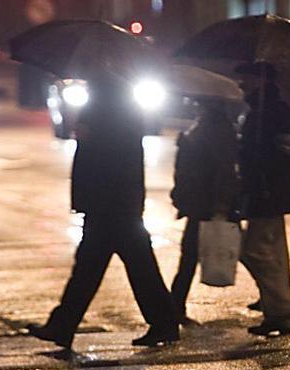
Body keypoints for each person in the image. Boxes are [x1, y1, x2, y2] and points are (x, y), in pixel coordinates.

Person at [27, 72, 179, 349]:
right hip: (117, 205)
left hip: (109, 206)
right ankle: (162, 322)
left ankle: (63, 326)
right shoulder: (115, 106)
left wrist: (86, 132)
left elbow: (102, 161)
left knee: (94, 269)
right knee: (125, 267)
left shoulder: (107, 110)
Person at [235, 61, 290, 337]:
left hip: (267, 193)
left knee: (253, 251)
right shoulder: (258, 110)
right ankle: (276, 313)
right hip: (268, 192)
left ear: (260, 79)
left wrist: (261, 180)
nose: (241, 84)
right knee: (274, 253)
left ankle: (282, 305)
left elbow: (283, 154)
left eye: (246, 78)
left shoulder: (274, 112)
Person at [169, 98, 240, 324]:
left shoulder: (216, 128)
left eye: (198, 103)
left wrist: (221, 205)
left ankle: (276, 301)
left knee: (239, 250)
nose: (194, 105)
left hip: (208, 203)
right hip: (202, 202)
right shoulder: (206, 125)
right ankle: (175, 306)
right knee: (192, 255)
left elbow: (223, 169)